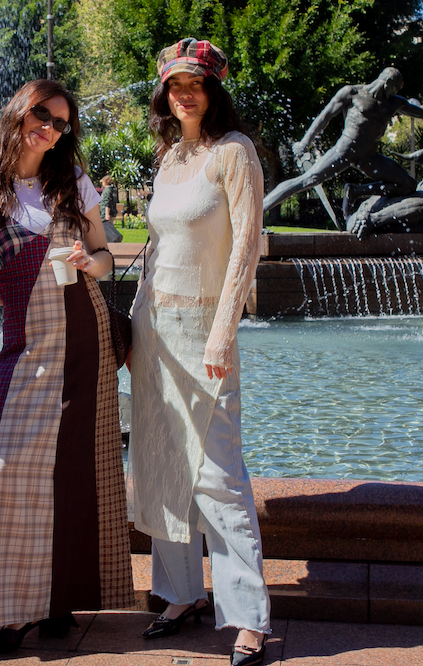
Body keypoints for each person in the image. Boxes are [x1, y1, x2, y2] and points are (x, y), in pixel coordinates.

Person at [0, 79, 133, 658]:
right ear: (18, 114)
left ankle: (62, 603)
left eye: (60, 122)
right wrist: (27, 299)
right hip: (27, 345)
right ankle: (9, 615)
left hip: (88, 339)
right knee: (14, 471)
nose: (49, 129)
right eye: (41, 115)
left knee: (81, 466)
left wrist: (90, 258)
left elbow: (107, 257)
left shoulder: (72, 183)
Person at [128, 39, 269, 666]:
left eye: (197, 83)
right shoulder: (170, 155)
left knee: (218, 477)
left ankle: (247, 618)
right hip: (155, 330)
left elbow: (247, 244)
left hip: (205, 331)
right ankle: (180, 595)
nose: (185, 93)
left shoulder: (233, 153)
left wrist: (223, 330)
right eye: (175, 84)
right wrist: (134, 328)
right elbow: (155, 251)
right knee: (162, 467)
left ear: (214, 90)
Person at [262, 66, 423, 215]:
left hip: (369, 156)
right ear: (387, 82)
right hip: (345, 150)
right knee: (307, 180)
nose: (395, 93)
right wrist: (304, 142)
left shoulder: (394, 103)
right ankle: (261, 209)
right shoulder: (352, 93)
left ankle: (357, 191)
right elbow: (325, 117)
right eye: (395, 88)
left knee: (407, 184)